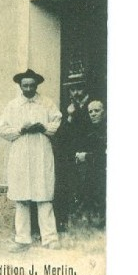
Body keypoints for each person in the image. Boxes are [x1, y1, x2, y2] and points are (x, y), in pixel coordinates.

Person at [0, 68, 62, 251]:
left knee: (43, 196)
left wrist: (43, 128)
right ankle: (22, 239)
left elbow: (57, 121)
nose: (28, 89)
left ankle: (50, 238)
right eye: (25, 85)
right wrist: (20, 130)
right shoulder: (12, 106)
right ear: (20, 86)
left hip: (41, 152)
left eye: (32, 85)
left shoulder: (46, 104)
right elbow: (2, 129)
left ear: (37, 85)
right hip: (21, 154)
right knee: (22, 198)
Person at [53, 71, 91, 231]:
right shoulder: (67, 109)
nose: (76, 93)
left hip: (87, 156)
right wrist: (69, 117)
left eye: (79, 89)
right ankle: (64, 225)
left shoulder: (92, 108)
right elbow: (61, 136)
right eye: (72, 90)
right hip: (70, 157)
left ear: (85, 90)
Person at [76, 99, 107, 228]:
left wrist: (86, 157)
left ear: (104, 112)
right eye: (90, 112)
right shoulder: (90, 131)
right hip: (94, 174)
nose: (93, 114)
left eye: (97, 111)